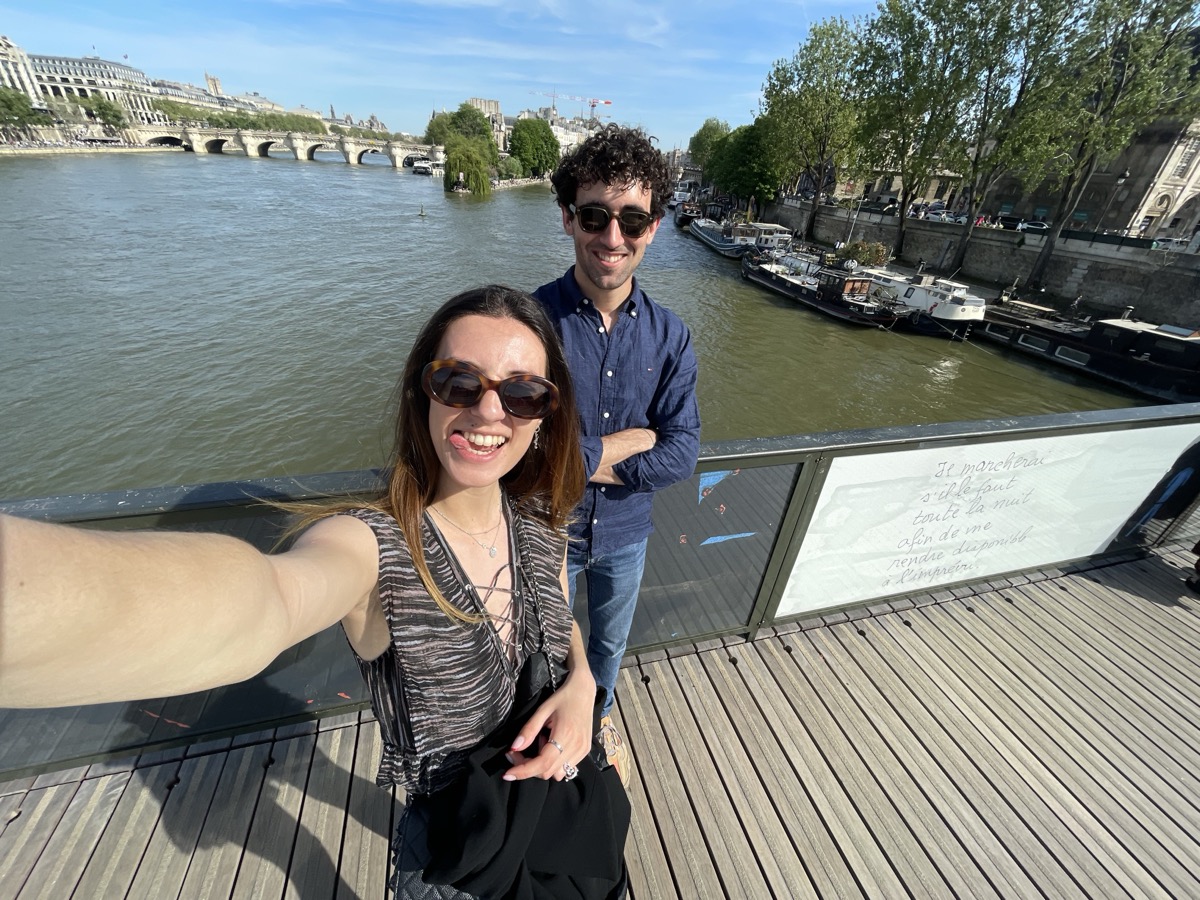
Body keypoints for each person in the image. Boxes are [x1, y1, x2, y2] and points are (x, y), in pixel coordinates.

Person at [0, 285, 630, 899]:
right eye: (459, 383)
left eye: (522, 393)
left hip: (566, 807)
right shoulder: (376, 550)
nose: (490, 411)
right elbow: (268, 601)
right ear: (424, 396)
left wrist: (581, 687)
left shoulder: (541, 514)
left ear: (547, 414)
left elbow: (559, 615)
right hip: (465, 858)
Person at [534, 126, 701, 784]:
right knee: (545, 652)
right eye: (596, 216)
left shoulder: (673, 336)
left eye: (632, 219)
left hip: (628, 535)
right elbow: (521, 449)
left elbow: (683, 450)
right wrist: (627, 445)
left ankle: (598, 717)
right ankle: (552, 733)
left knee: (607, 646)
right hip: (547, 531)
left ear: (653, 227)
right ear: (568, 218)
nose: (612, 236)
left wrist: (576, 453)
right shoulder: (529, 323)